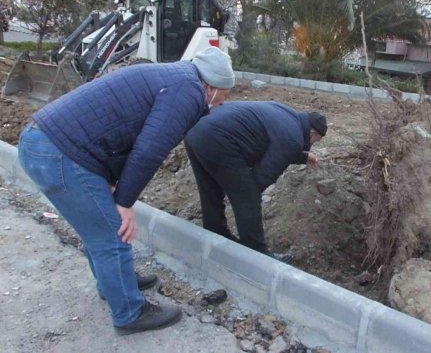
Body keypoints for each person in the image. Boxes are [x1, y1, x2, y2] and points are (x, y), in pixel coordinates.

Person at [17, 46, 234, 335]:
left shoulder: (174, 76)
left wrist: (111, 182)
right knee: (112, 233)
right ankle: (130, 313)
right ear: (211, 86)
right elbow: (149, 149)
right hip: (60, 152)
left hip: (48, 143)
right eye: (222, 97)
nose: (220, 103)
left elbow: (122, 128)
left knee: (99, 227)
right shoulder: (188, 92)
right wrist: (124, 201)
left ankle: (116, 284)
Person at [184, 101, 327, 264]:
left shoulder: (288, 117)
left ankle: (216, 234)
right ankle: (257, 255)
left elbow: (279, 147)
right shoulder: (293, 137)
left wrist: (303, 157)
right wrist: (247, 195)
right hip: (219, 140)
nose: (314, 144)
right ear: (312, 132)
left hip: (196, 134)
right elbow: (264, 174)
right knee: (248, 197)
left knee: (210, 191)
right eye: (316, 140)